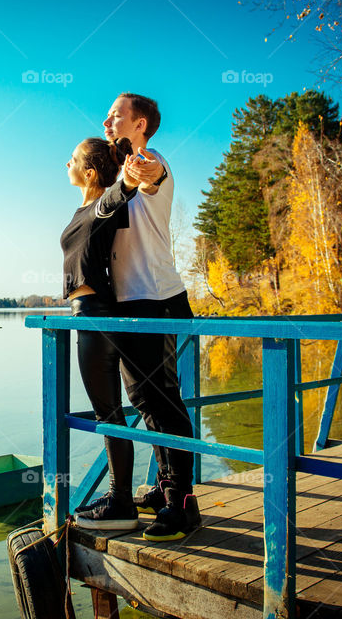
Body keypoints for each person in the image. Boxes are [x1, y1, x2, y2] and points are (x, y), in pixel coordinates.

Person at [76, 93, 201, 542]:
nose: (107, 119)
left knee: (164, 401)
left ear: (140, 123)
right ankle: (167, 486)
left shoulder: (151, 159)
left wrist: (146, 173)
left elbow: (151, 177)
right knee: (148, 403)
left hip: (158, 298)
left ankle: (183, 504)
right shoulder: (120, 166)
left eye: (116, 115)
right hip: (128, 304)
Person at [60, 136, 141, 530]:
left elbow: (122, 190)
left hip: (94, 316)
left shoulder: (102, 205)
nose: (66, 163)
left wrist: (128, 165)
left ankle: (121, 502)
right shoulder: (84, 209)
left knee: (108, 415)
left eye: (73, 159)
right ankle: (121, 497)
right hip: (90, 316)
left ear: (89, 172)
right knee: (110, 414)